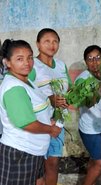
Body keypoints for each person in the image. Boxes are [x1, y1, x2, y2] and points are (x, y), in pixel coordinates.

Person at [0, 39, 61, 185]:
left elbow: (36, 109)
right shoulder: (14, 88)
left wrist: (48, 120)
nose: (27, 63)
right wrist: (51, 129)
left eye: (29, 57)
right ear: (7, 62)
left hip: (34, 150)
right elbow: (26, 123)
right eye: (19, 59)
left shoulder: (26, 81)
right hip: (19, 154)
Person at [28, 28, 72, 185]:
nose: (51, 45)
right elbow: (27, 93)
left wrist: (69, 99)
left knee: (53, 163)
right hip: (39, 121)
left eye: (55, 41)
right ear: (38, 44)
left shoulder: (60, 65)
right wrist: (50, 100)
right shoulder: (32, 66)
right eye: (47, 41)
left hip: (58, 121)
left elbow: (70, 89)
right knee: (36, 165)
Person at [75, 45, 101, 185]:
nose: (94, 62)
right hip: (90, 129)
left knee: (94, 159)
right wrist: (95, 91)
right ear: (85, 62)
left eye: (98, 58)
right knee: (100, 164)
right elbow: (81, 100)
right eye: (90, 59)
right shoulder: (82, 79)